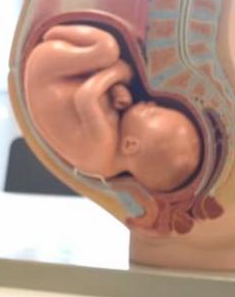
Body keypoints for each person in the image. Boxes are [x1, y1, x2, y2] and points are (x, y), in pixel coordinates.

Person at [23, 24, 201, 193]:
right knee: (106, 59)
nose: (151, 104)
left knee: (107, 50)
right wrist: (116, 91)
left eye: (152, 113)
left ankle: (54, 32)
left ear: (130, 145)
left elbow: (85, 96)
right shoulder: (108, 163)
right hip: (71, 76)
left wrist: (121, 72)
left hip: (47, 70)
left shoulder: (102, 147)